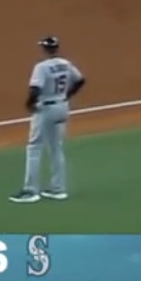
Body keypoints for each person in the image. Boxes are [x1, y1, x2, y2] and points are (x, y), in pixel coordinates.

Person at [9, 36, 85, 203]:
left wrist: (30, 104)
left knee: (34, 147)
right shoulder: (66, 64)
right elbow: (80, 80)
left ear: (44, 49)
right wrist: (67, 95)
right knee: (56, 148)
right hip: (62, 107)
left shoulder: (41, 67)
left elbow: (35, 89)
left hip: (46, 109)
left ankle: (31, 191)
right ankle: (58, 189)